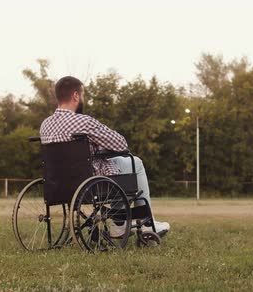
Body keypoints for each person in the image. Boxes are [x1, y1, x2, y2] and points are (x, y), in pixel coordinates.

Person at [39, 76, 170, 237]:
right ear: (75, 96)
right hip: (90, 182)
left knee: (120, 165)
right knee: (134, 162)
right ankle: (144, 223)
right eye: (83, 95)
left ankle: (120, 223)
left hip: (58, 185)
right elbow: (121, 144)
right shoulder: (83, 122)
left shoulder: (45, 125)